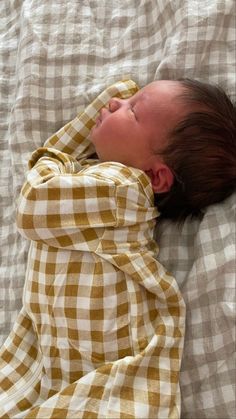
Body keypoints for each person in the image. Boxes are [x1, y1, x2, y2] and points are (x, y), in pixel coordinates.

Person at [0, 77, 234, 418]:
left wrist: (58, 152)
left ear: (156, 178)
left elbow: (34, 202)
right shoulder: (102, 184)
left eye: (133, 110)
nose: (113, 104)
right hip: (53, 353)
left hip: (93, 359)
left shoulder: (120, 189)